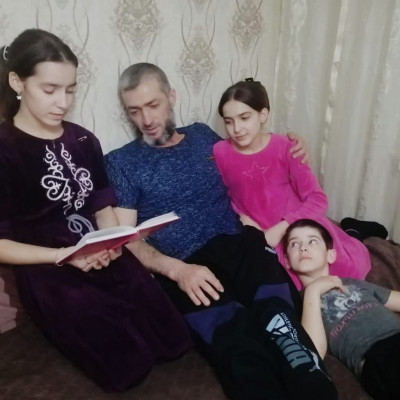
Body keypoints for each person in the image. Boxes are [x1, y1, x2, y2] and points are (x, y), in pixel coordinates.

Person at [105, 62, 338, 399]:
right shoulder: (122, 162)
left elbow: (252, 150)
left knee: (280, 320)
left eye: (153, 104)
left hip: (240, 244)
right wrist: (176, 270)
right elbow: (126, 240)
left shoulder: (202, 136)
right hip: (188, 265)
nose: (147, 119)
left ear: (172, 97)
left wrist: (293, 145)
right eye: (134, 110)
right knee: (237, 343)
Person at [0, 29, 191, 392]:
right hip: (50, 271)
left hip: (102, 255)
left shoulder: (83, 139)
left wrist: (112, 242)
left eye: (70, 90)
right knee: (128, 366)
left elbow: (102, 207)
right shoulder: (5, 149)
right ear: (17, 82)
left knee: (175, 340)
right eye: (50, 89)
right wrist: (63, 255)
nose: (62, 102)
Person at [214, 78, 372, 289]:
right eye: (228, 121)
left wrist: (282, 228)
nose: (237, 128)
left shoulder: (286, 147)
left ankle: (354, 233)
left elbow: (317, 199)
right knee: (284, 286)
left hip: (297, 225)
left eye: (244, 118)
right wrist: (247, 222)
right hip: (261, 233)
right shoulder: (219, 152)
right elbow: (224, 195)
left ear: (263, 115)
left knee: (345, 272)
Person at [283, 219, 400, 400]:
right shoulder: (298, 303)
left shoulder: (353, 283)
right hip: (375, 356)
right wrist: (313, 291)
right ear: (287, 261)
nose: (303, 248)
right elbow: (314, 353)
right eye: (294, 244)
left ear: (330, 255)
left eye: (312, 241)